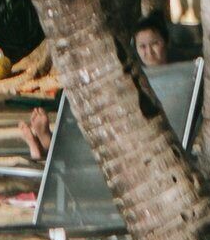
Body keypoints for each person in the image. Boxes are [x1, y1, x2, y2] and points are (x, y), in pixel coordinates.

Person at [12, 15, 173, 160]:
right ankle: (44, 144)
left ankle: (45, 146)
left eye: (154, 44)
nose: (149, 52)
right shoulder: (133, 77)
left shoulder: (181, 76)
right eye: (142, 47)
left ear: (166, 43)